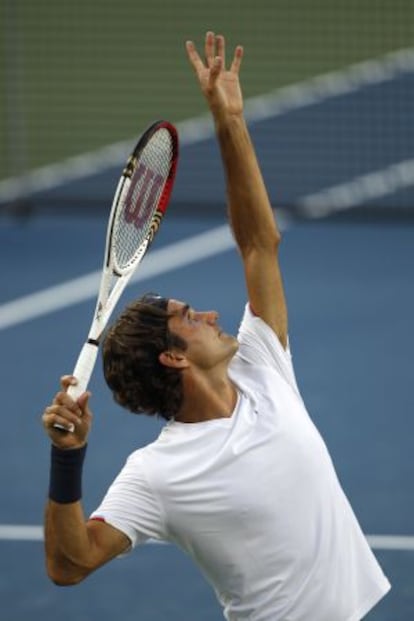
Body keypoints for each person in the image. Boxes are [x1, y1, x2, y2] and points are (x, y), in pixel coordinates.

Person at [42, 32, 390, 620]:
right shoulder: (156, 474)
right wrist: (67, 458)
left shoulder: (261, 366)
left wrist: (229, 121)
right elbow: (69, 564)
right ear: (174, 357)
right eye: (189, 316)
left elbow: (259, 243)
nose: (210, 314)